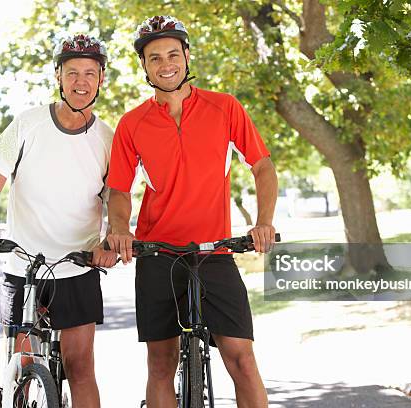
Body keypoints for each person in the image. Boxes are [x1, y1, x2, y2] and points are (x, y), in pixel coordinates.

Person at [106, 16, 278, 408]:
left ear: (186, 55)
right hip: (157, 255)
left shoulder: (224, 107)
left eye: (172, 54)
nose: (165, 64)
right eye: (154, 58)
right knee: (160, 365)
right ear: (145, 67)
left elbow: (263, 167)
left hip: (214, 252)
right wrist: (119, 228)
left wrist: (263, 221)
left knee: (242, 359)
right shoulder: (132, 124)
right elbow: (118, 188)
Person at [0, 34, 117, 408]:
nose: (80, 81)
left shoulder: (108, 138)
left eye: (89, 73)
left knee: (80, 367)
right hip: (24, 266)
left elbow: (117, 201)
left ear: (101, 80)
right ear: (58, 77)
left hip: (78, 267)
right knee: (23, 364)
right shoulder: (27, 124)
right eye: (72, 73)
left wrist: (110, 239)